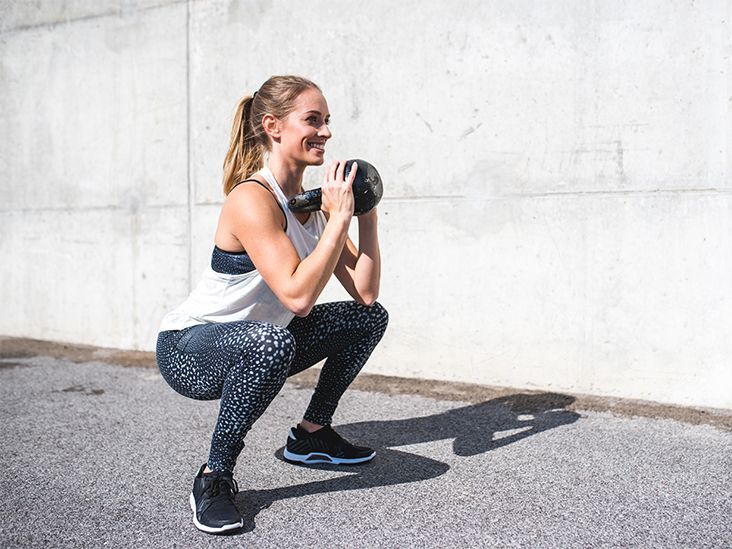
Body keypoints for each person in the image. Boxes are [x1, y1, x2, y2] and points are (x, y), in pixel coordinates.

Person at [155, 75, 388, 534]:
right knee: (270, 341)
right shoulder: (251, 199)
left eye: (327, 122)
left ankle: (311, 434)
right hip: (189, 350)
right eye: (313, 120)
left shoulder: (318, 208)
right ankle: (214, 476)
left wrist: (365, 214)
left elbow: (365, 293)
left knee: (368, 319)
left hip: (266, 341)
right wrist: (338, 218)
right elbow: (298, 297)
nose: (326, 132)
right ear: (273, 126)